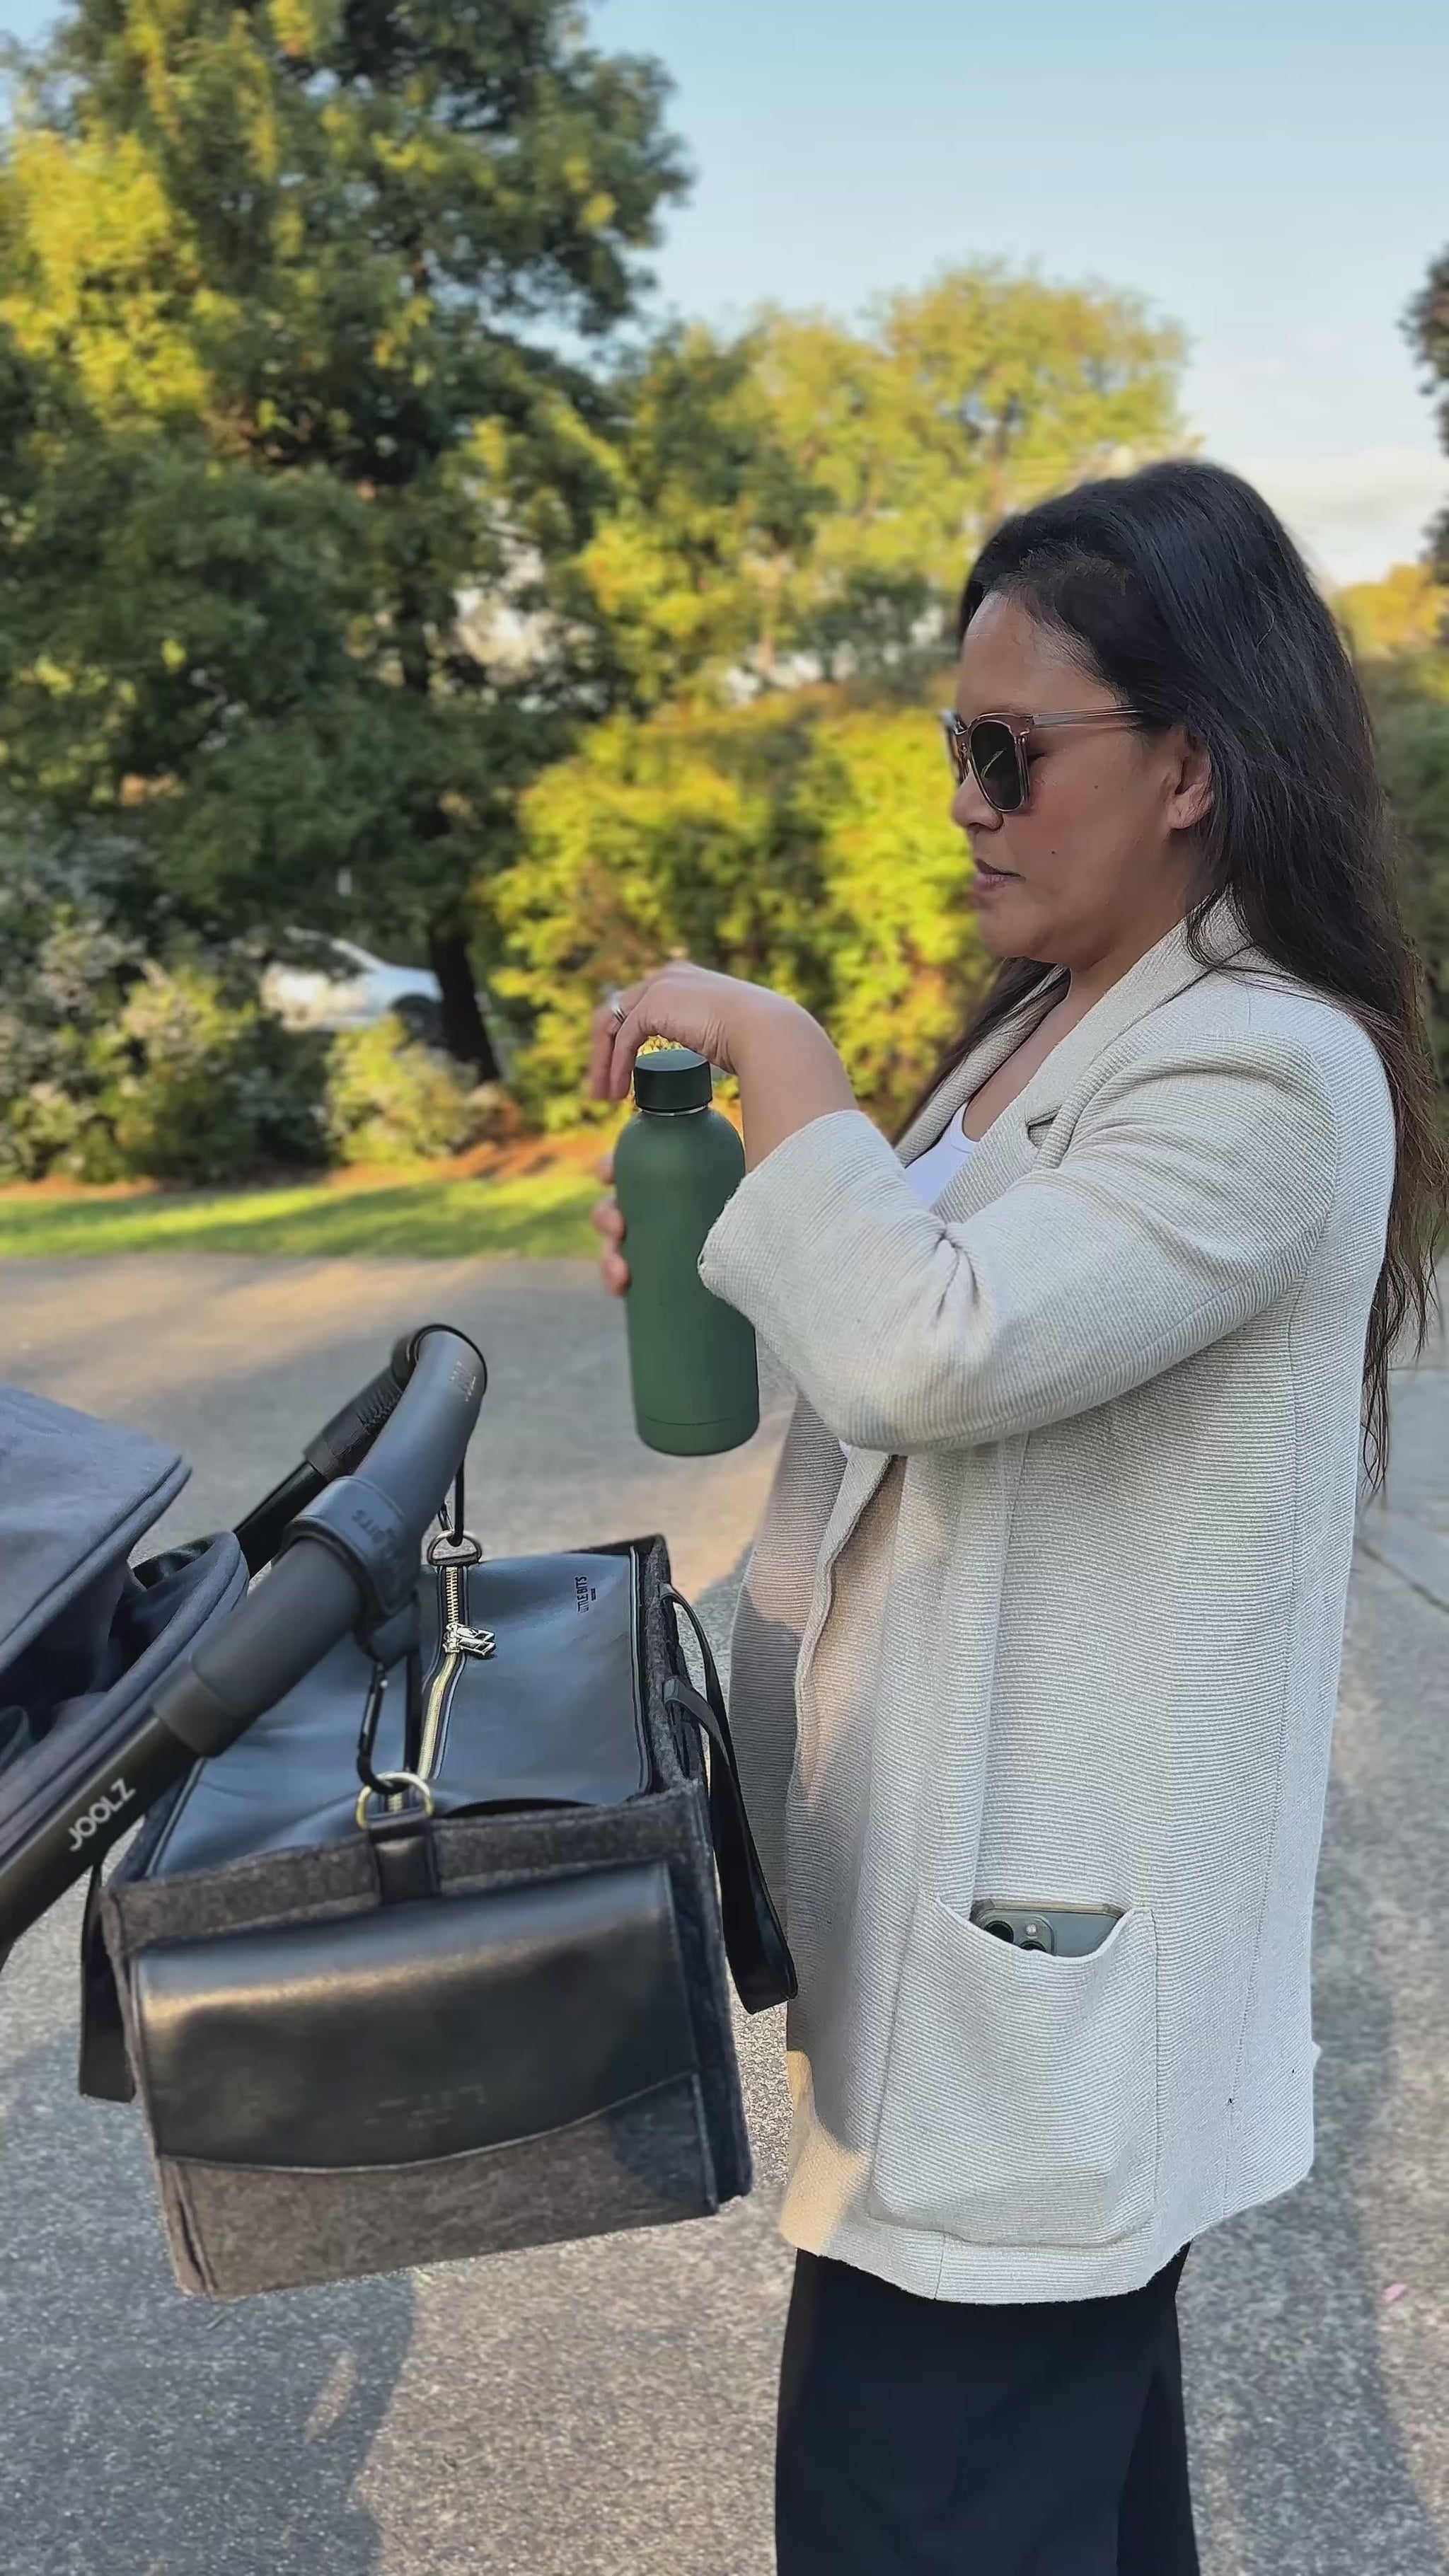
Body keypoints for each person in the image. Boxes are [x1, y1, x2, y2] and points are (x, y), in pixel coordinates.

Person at [588, 458, 1448, 2576]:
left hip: (1042, 1990)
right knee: (1050, 2517)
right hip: (969, 1952)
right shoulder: (1060, 1028)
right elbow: (940, 1360)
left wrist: (782, 1062)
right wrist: (750, 1237)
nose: (967, 798)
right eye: (952, 745)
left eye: (1007, 747)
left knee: (920, 2516)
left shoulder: (1262, 1068)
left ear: (1189, 764)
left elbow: (928, 1356)